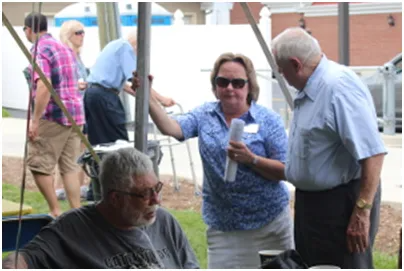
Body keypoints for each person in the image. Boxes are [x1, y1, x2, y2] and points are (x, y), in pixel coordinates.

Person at [136, 53, 294, 268]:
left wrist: (252, 159)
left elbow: (285, 170)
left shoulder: (268, 120)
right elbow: (171, 127)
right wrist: (147, 95)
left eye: (238, 83)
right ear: (215, 85)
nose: (230, 88)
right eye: (223, 82)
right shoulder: (205, 115)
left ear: (249, 86)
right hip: (223, 226)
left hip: (269, 223)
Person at [271, 27, 387, 268]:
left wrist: (362, 211)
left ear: (296, 64)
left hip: (341, 205)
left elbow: (373, 154)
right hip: (314, 204)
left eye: (281, 70)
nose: (281, 75)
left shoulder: (338, 88)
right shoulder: (311, 88)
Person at [2, 147, 200, 269]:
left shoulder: (164, 221)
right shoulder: (73, 227)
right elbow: (25, 258)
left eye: (157, 188)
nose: (156, 200)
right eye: (145, 194)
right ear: (115, 198)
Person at [23, 12, 84, 217]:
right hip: (75, 115)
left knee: (39, 164)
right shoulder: (64, 48)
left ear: (28, 30)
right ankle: (76, 213)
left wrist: (35, 119)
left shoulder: (40, 49)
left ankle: (55, 211)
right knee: (70, 168)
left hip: (54, 116)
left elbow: (44, 86)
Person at [84, 32, 175, 146]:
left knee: (100, 142)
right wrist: (162, 99)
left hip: (92, 94)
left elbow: (127, 86)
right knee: (118, 142)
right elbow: (139, 81)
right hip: (104, 97)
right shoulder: (125, 47)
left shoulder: (115, 45)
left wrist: (148, 100)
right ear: (138, 47)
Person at [56, 20, 89, 200]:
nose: (82, 36)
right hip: (69, 111)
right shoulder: (65, 54)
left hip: (81, 108)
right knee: (69, 152)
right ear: (68, 35)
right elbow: (60, 81)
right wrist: (77, 85)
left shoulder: (78, 56)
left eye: (83, 32)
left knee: (82, 149)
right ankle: (61, 189)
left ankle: (79, 186)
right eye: (78, 33)